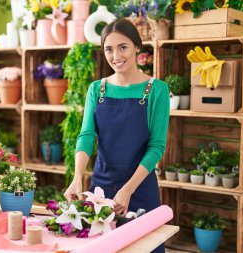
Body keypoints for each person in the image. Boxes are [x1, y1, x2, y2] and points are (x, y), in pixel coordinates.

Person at [64, 18, 170, 253]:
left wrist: (129, 189)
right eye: (108, 49)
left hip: (140, 189)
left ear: (137, 47)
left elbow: (156, 147)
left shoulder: (157, 90)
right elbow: (86, 136)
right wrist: (78, 176)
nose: (115, 56)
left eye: (123, 47)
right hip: (100, 191)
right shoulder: (97, 89)